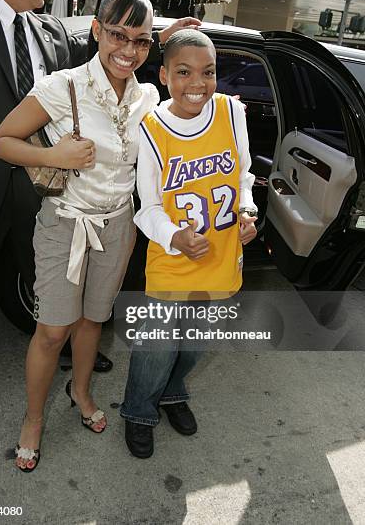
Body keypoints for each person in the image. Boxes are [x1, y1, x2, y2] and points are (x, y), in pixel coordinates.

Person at [0, 0, 199, 371]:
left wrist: (161, 38)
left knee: (48, 291)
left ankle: (70, 350)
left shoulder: (48, 31)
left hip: (42, 191)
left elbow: (105, 49)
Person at [0, 0, 181, 472]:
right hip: (64, 225)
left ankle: (80, 391)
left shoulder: (149, 98)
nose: (128, 50)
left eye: (141, 40)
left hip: (117, 226)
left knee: (93, 321)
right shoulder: (64, 86)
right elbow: (2, 141)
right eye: (118, 35)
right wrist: (53, 155)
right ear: (97, 30)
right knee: (52, 331)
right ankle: (33, 419)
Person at [120, 29, 258, 458]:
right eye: (184, 72)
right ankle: (139, 411)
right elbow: (147, 208)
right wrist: (176, 236)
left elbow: (243, 177)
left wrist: (248, 212)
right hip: (174, 260)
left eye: (208, 72)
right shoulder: (152, 129)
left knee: (193, 344)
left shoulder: (232, 113)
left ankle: (171, 395)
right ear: (163, 75)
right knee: (157, 346)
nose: (197, 83)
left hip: (220, 258)